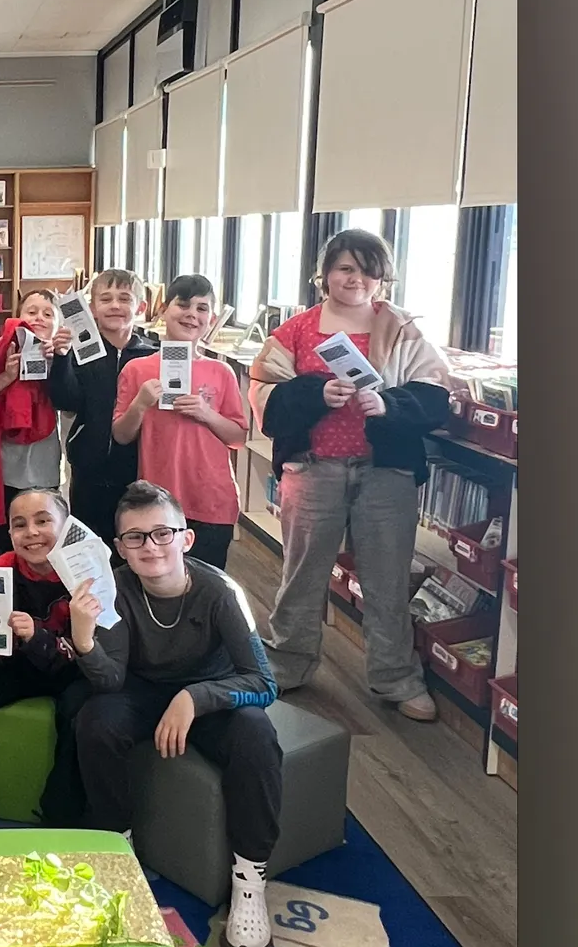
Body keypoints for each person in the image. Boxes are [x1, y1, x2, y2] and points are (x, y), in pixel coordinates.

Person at [70, 481, 282, 947]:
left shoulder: (221, 591)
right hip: (142, 689)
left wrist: (195, 696)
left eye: (162, 533)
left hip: (210, 691)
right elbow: (111, 680)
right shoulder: (118, 587)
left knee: (256, 733)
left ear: (186, 538)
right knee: (96, 719)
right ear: (120, 548)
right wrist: (84, 641)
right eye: (135, 537)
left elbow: (264, 682)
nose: (150, 546)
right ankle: (119, 848)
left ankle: (249, 879)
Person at [249, 229, 453, 720]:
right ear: (324, 274)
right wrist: (313, 395)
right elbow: (263, 398)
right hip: (313, 470)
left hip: (385, 474)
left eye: (367, 268)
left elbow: (435, 397)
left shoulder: (403, 330)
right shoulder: (296, 331)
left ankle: (396, 678)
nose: (355, 278)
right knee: (302, 575)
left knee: (387, 580)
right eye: (344, 267)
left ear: (382, 277)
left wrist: (388, 404)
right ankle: (286, 665)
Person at [0, 488, 95, 830]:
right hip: (20, 665)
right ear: (8, 533)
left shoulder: (84, 570)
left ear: (66, 526)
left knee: (82, 708)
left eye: (43, 521)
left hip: (73, 668)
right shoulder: (3, 566)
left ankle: (62, 812)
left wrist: (36, 637)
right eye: (19, 525)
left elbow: (89, 651)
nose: (32, 533)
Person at [111, 275, 249, 569]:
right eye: (183, 305)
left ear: (212, 319)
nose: (191, 314)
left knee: (207, 588)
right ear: (163, 310)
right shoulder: (137, 369)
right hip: (157, 502)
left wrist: (206, 413)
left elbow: (237, 437)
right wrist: (140, 403)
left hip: (212, 501)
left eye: (202, 308)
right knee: (157, 582)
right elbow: (121, 435)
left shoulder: (221, 372)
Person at [44, 268, 160, 541]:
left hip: (139, 466)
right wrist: (61, 358)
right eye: (105, 299)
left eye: (124, 298)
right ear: (92, 308)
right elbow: (65, 401)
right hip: (88, 464)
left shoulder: (152, 355)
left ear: (140, 307)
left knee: (135, 536)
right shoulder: (80, 350)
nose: (115, 306)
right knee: (89, 540)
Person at [0, 288, 63, 561]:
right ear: (19, 318)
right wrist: (7, 376)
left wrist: (59, 363)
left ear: (58, 323)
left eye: (48, 314)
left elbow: (70, 403)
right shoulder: (3, 349)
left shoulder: (65, 357)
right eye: (31, 312)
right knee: (4, 541)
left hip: (45, 469)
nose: (39, 318)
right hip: (5, 469)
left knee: (45, 541)